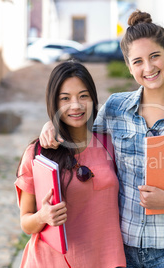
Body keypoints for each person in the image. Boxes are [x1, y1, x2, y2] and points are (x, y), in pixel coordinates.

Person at [39, 10, 164, 268]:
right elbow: (80, 131)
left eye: (155, 56)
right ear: (128, 66)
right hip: (119, 247)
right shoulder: (115, 107)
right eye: (137, 61)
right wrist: (52, 124)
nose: (148, 68)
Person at [15, 61, 126, 267]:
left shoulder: (110, 144)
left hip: (106, 259)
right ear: (54, 103)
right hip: (52, 261)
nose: (76, 105)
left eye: (83, 96)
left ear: (93, 98)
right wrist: (43, 216)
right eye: (65, 98)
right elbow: (26, 223)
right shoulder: (38, 153)